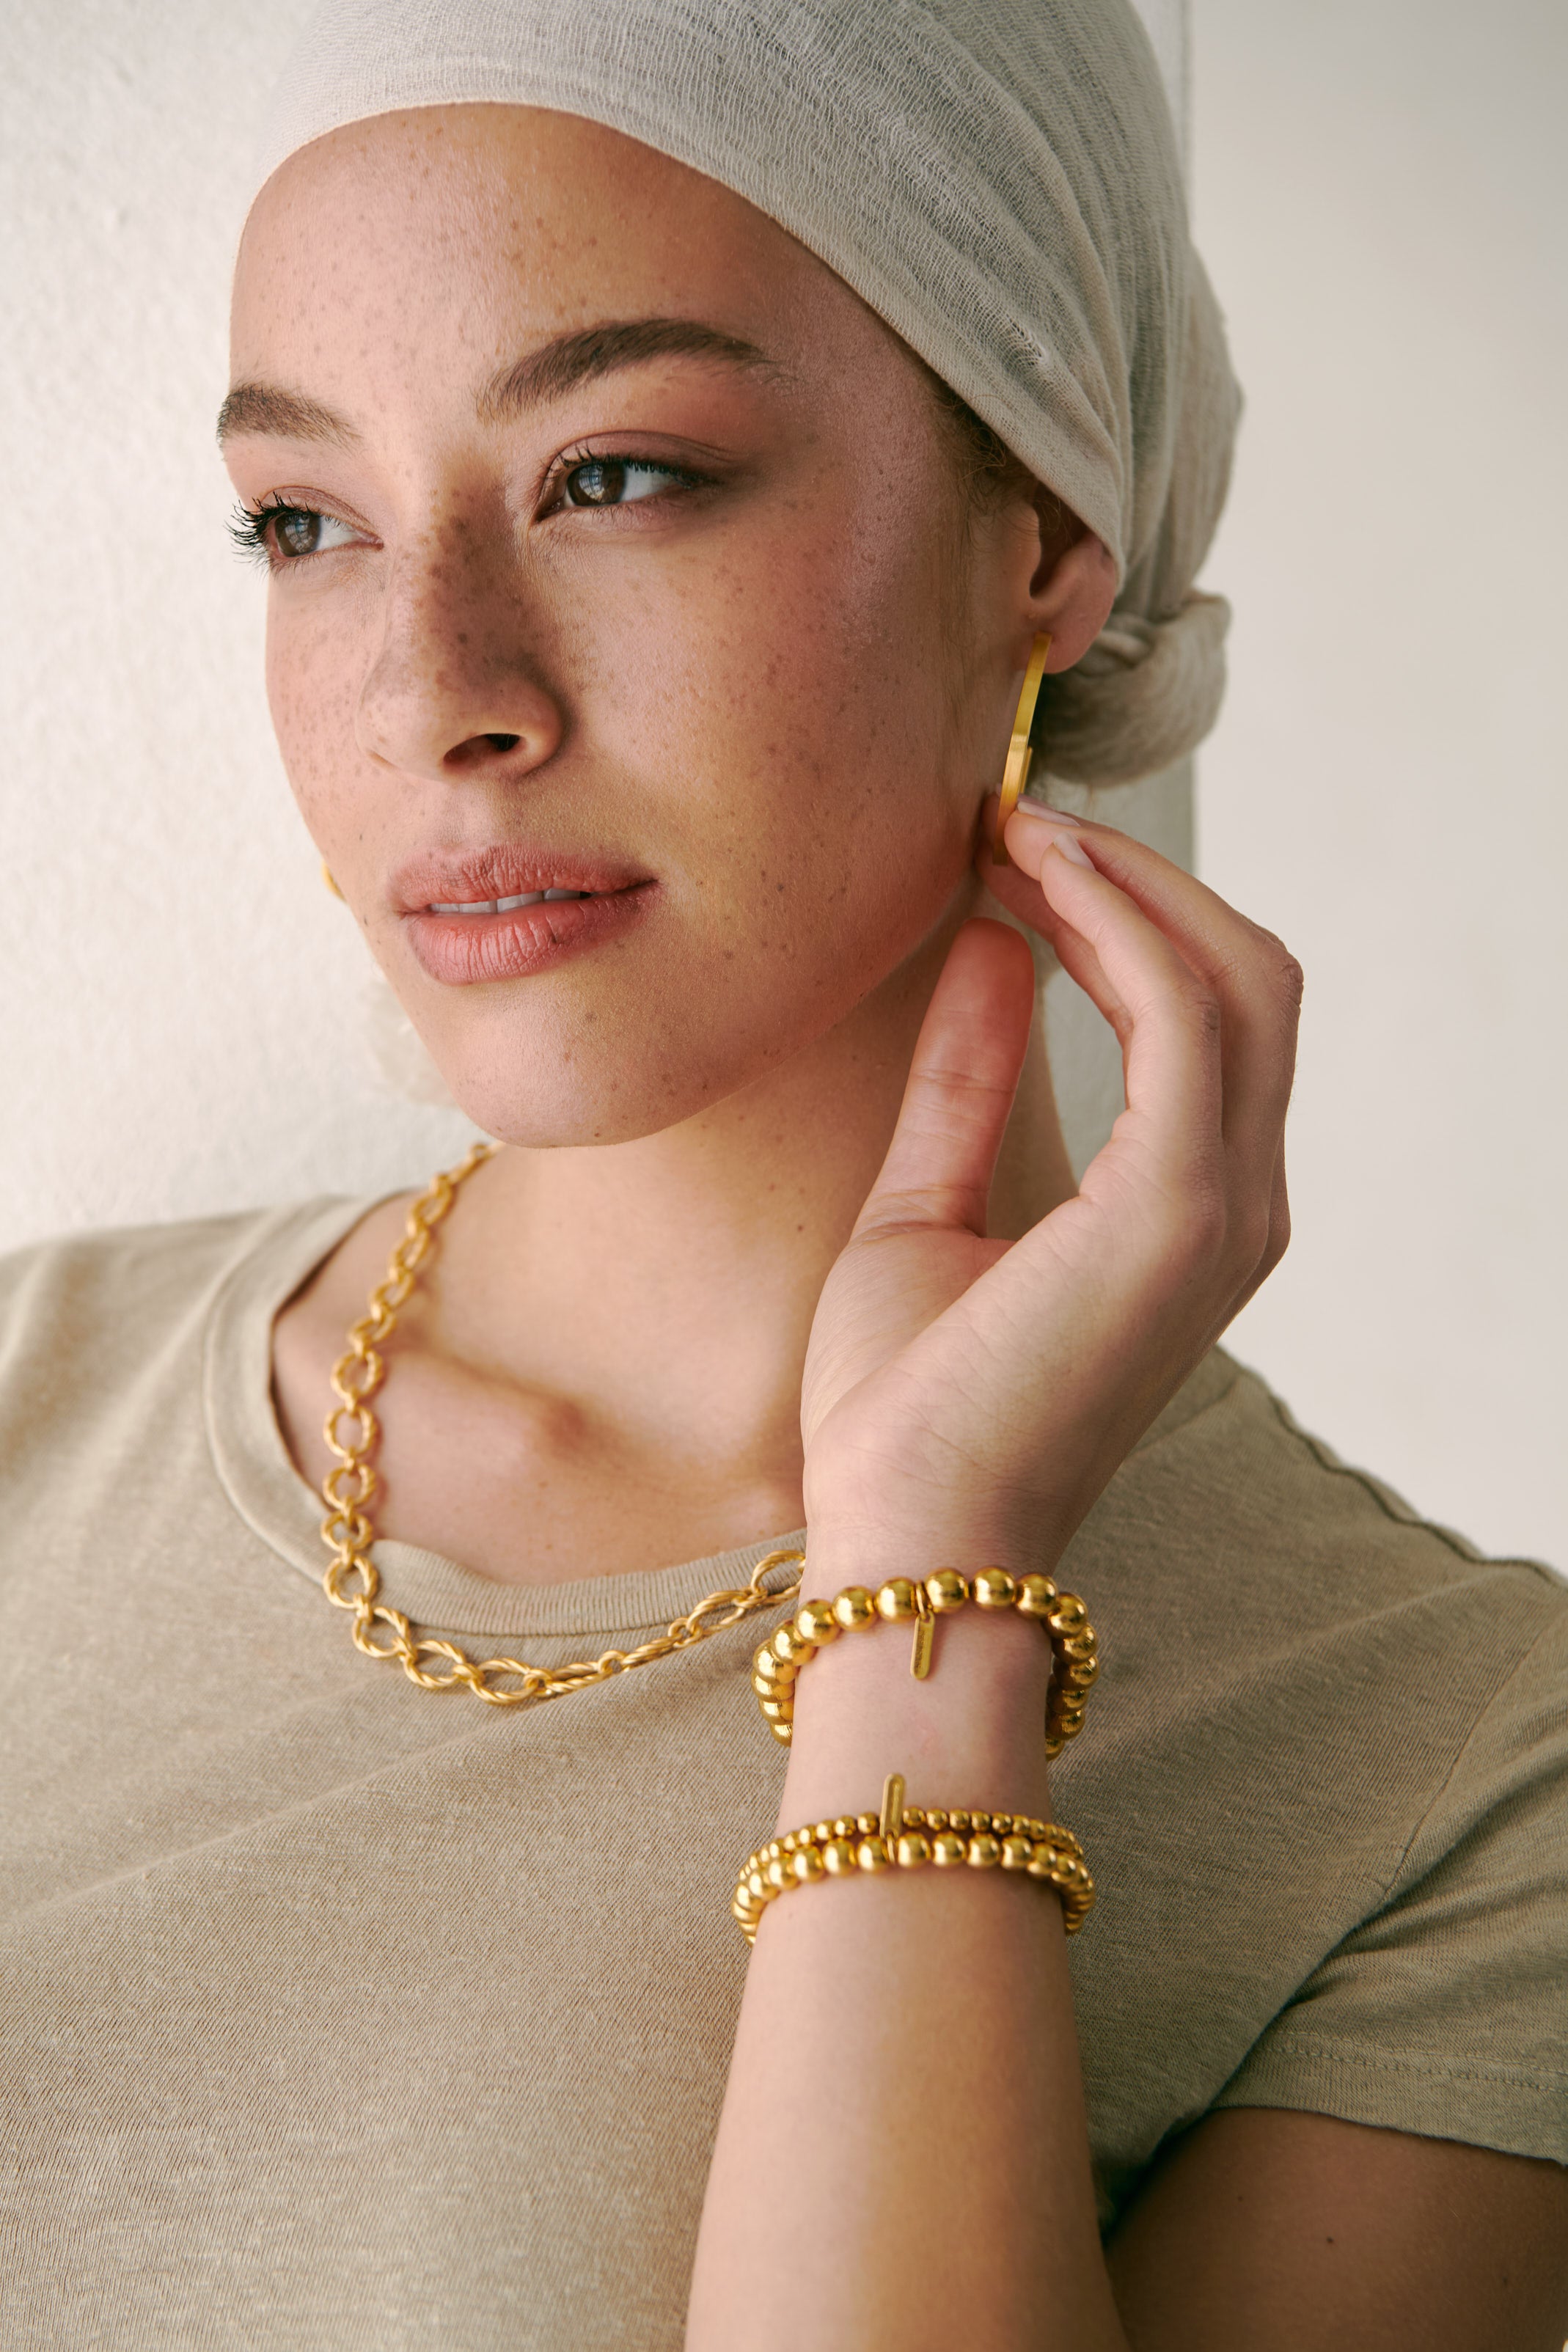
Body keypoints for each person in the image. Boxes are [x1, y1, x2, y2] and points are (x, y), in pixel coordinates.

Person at [2, 3, 1564, 2346]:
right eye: (303, 522)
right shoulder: (30, 1395)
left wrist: (928, 1602)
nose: (437, 690)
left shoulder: (1463, 1789)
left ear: (1040, 532)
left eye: (616, 475)